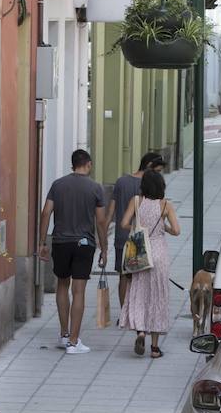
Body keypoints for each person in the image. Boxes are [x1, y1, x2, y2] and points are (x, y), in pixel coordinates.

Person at [39, 149, 107, 355]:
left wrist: (42, 242)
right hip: (84, 243)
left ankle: (64, 334)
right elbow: (101, 221)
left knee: (62, 284)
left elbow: (46, 212)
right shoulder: (95, 188)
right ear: (89, 164)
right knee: (78, 290)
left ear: (72, 164)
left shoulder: (58, 185)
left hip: (60, 242)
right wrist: (104, 248)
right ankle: (74, 342)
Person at [119, 169, 181, 358]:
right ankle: (155, 348)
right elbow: (177, 231)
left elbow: (123, 223)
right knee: (158, 297)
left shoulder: (136, 201)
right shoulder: (166, 205)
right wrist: (164, 228)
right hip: (159, 252)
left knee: (139, 293)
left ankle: (141, 331)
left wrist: (138, 228)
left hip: (140, 251)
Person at [107, 151, 165, 308]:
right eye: (158, 171)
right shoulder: (150, 186)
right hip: (142, 239)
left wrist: (104, 235)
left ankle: (124, 311)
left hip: (122, 237)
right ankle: (137, 310)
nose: (159, 175)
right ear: (149, 167)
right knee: (140, 278)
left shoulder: (121, 182)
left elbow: (111, 210)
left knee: (123, 277)